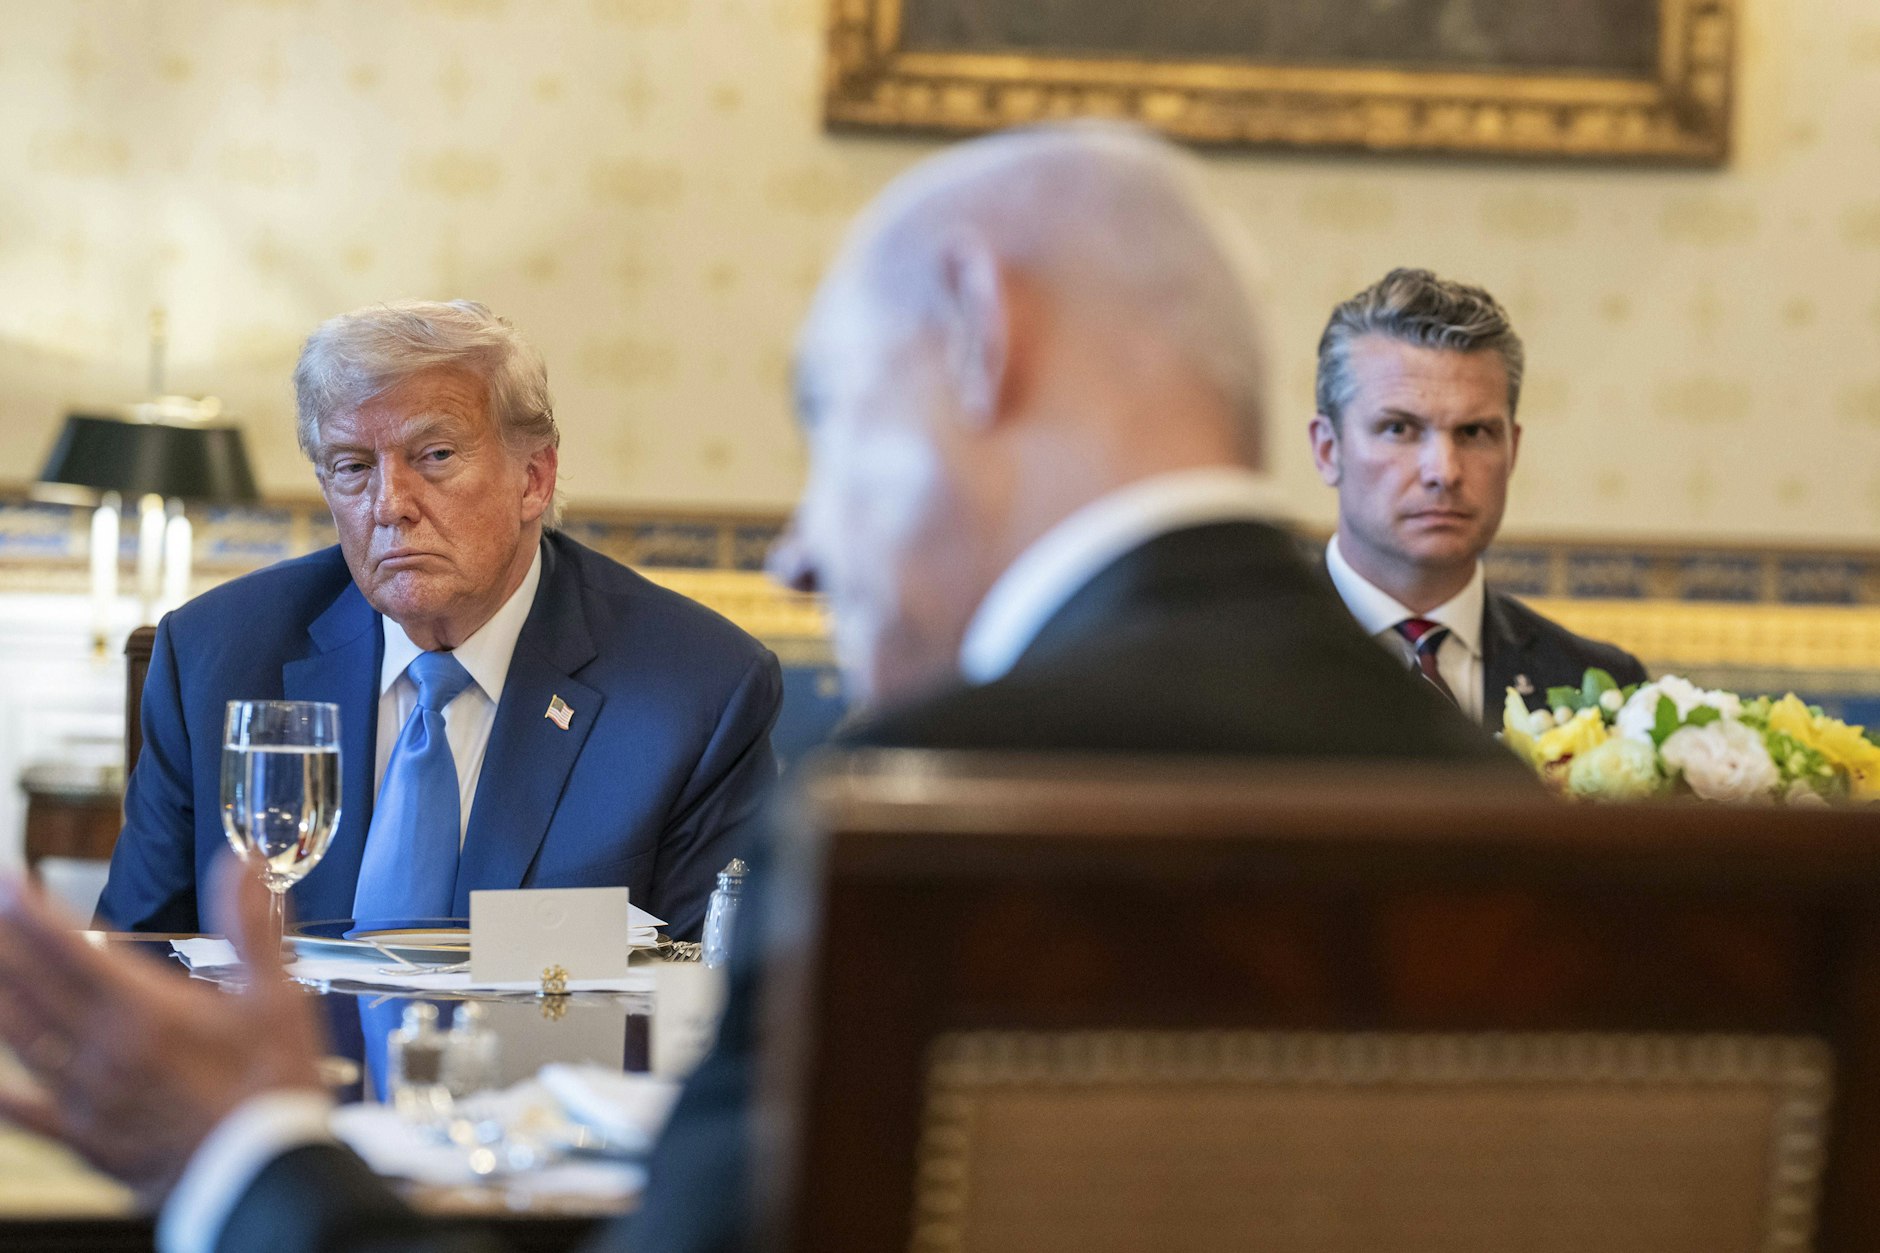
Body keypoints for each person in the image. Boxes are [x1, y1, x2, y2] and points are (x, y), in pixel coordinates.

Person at [0, 125, 1530, 1253]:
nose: (799, 548)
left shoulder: (917, 820)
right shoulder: (1498, 814)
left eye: (831, 420)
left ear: (984, 340)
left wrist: (246, 1157)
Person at [95, 300, 782, 940]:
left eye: (436, 456)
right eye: (353, 466)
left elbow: (713, 1002)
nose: (390, 504)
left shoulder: (699, 690)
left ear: (534, 479)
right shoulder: (217, 656)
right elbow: (135, 960)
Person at [1308, 268, 1647, 729]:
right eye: (1399, 429)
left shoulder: (1604, 689)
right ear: (1328, 450)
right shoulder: (1228, 666)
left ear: (1513, 450)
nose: (1443, 472)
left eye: (1474, 432)